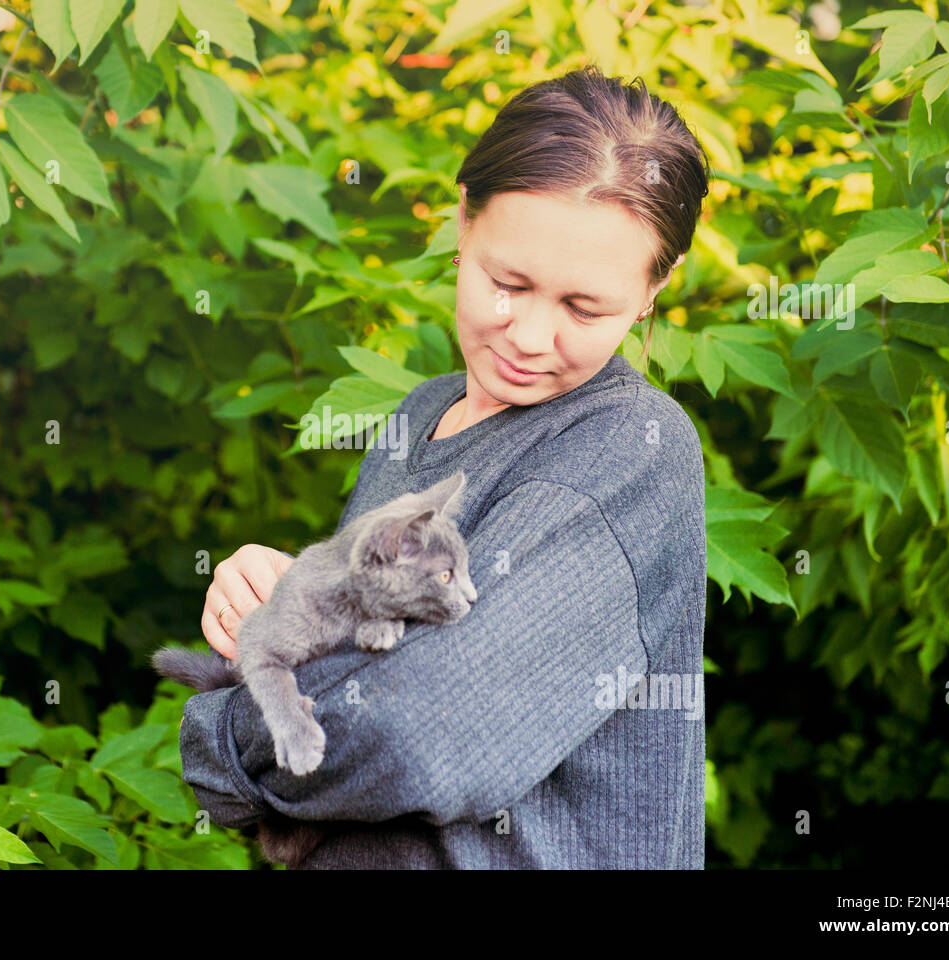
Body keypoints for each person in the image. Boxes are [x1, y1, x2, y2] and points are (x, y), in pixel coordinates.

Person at [178, 65, 711, 868]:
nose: (530, 335)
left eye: (582, 307)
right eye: (508, 282)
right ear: (463, 220)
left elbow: (416, 729)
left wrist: (219, 732)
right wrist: (288, 602)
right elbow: (378, 658)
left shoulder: (630, 450)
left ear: (652, 291)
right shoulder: (417, 419)